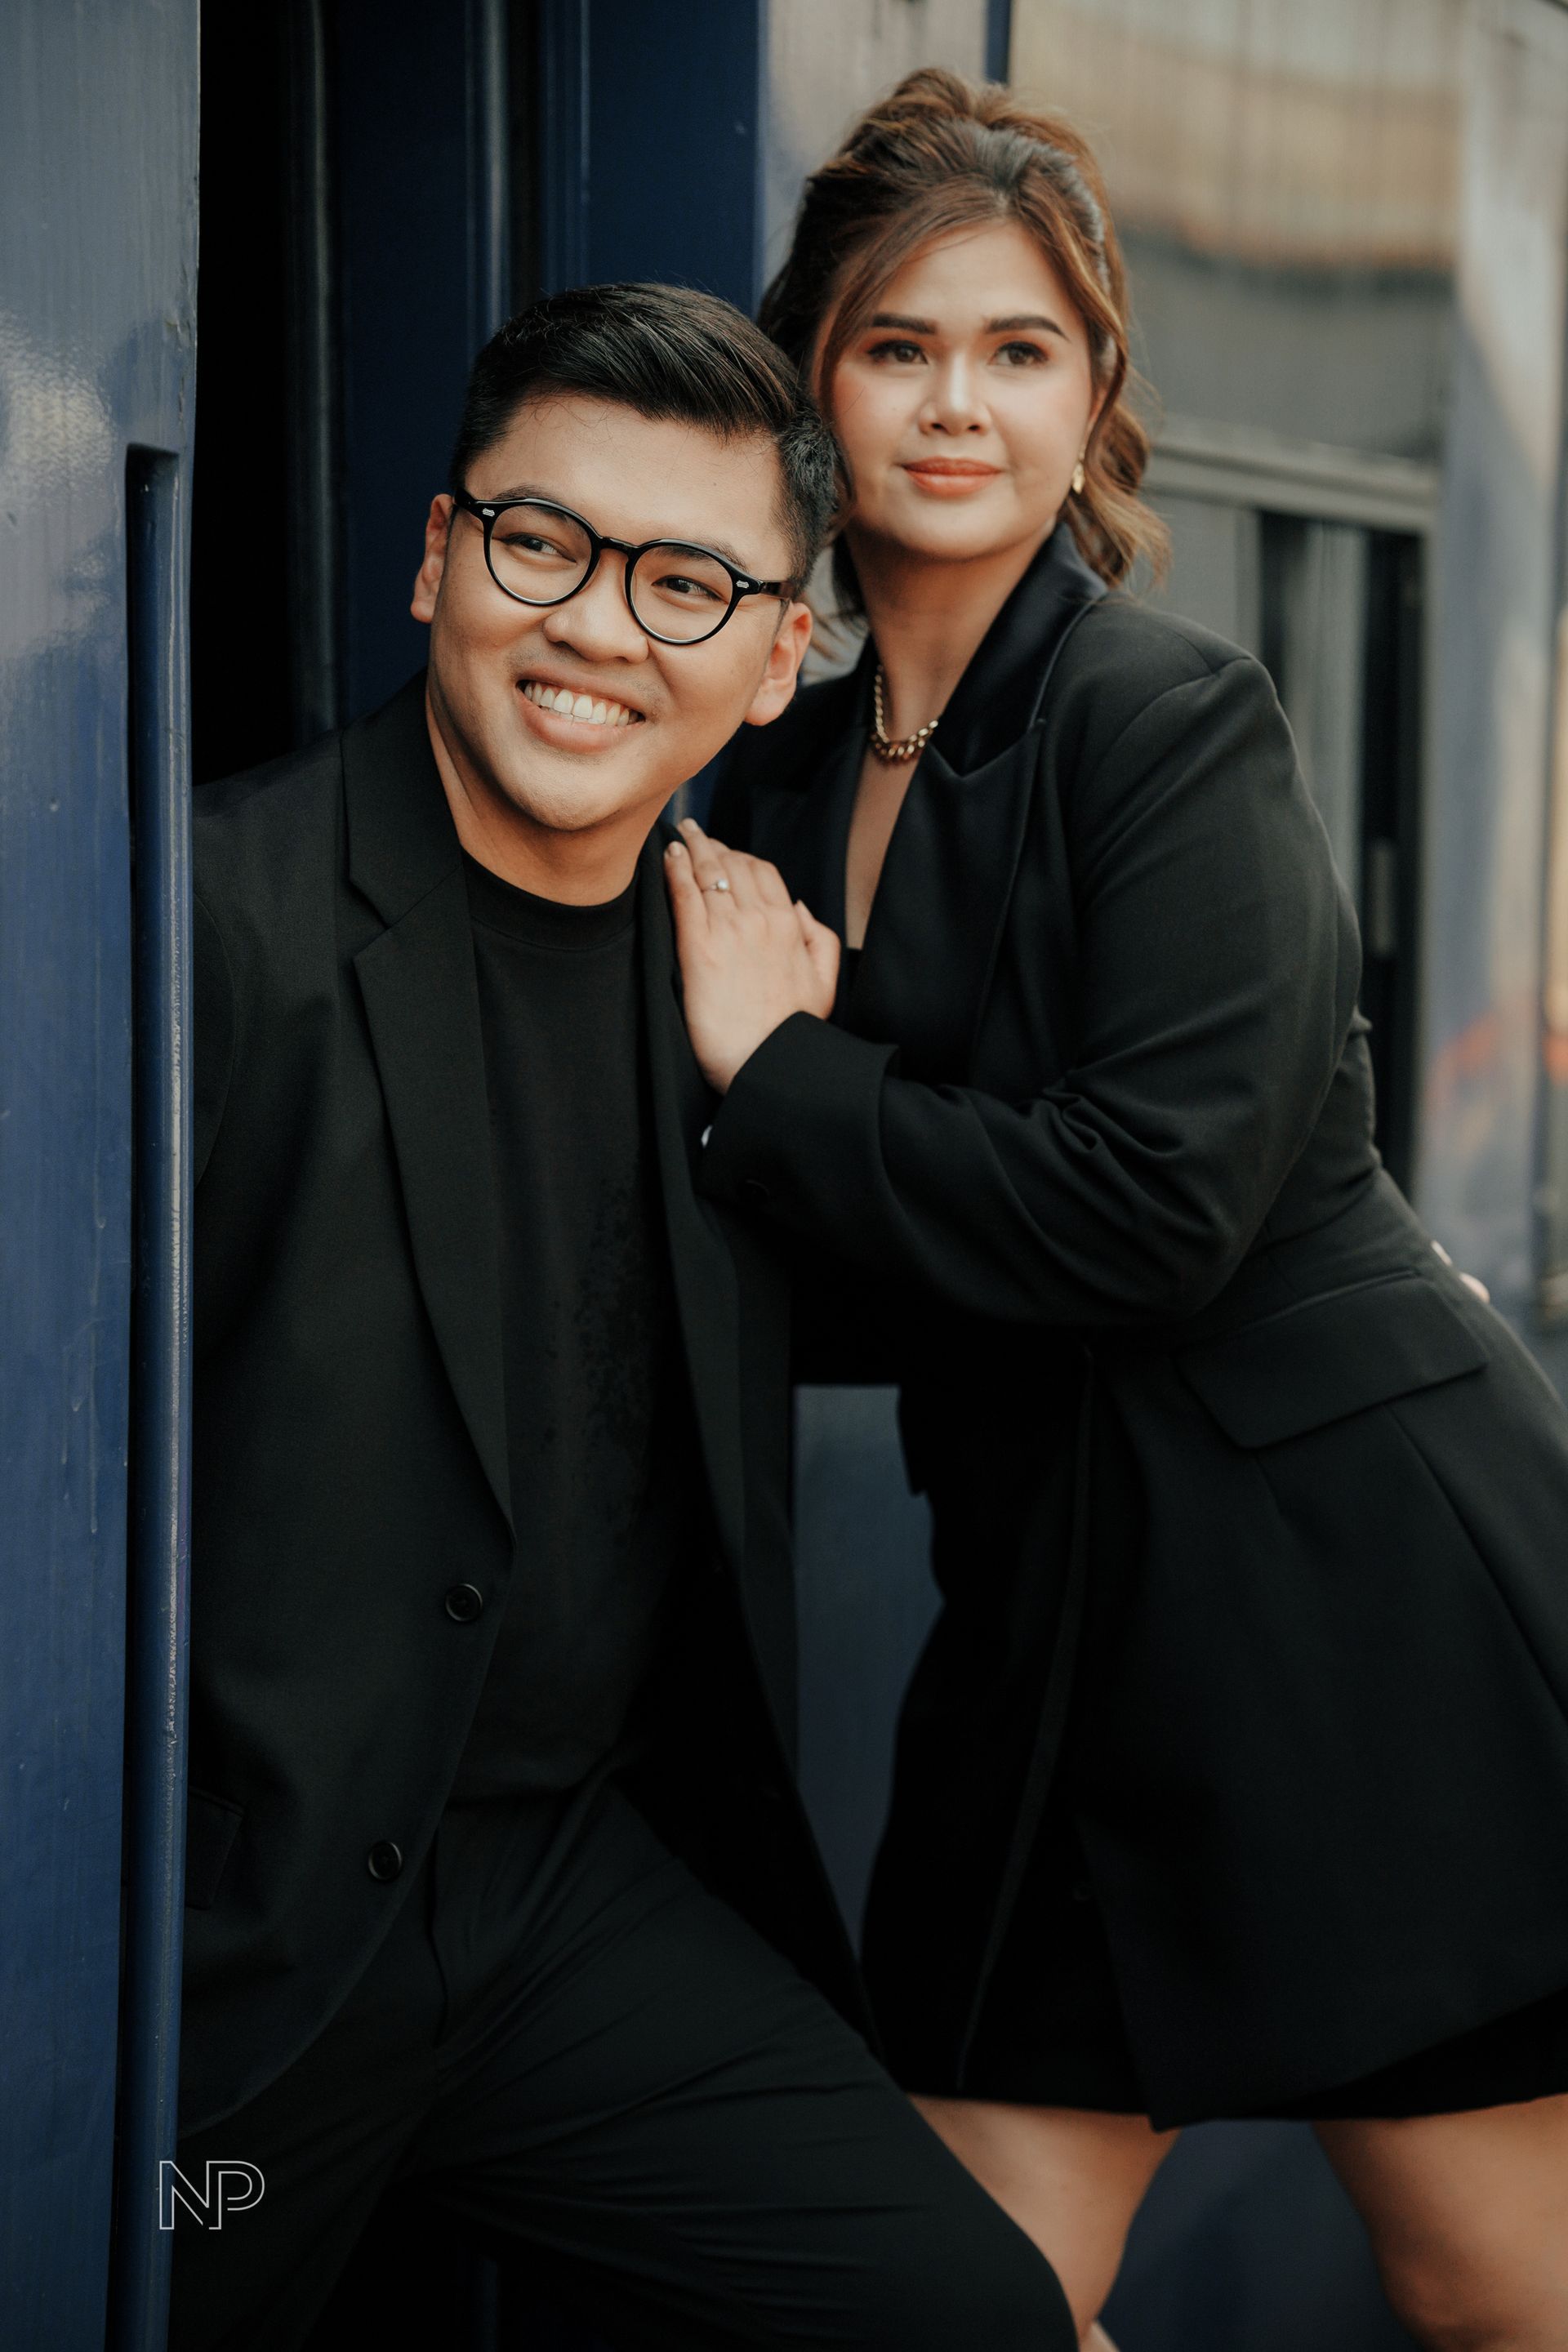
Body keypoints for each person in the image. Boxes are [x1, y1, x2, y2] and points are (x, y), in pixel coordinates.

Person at [667, 68, 1568, 2352]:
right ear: (813, 386)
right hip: (1048, 1621)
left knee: (1494, 2292)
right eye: (896, 347)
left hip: (1338, 1602)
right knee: (957, 2300)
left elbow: (1153, 1205)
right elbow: (832, 1238)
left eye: (1019, 349)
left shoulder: (1170, 721)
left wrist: (784, 1079)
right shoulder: (774, 778)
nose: (955, 404)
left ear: (1093, 398)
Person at [172, 280, 1077, 2352]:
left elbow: (1045, 1244)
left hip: (572, 1911)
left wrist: (799, 1080)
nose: (596, 628)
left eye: (685, 585)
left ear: (773, 662)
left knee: (975, 2319)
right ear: (439, 557)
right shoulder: (212, 922)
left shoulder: (739, 986)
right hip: (246, 1955)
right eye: (543, 544)